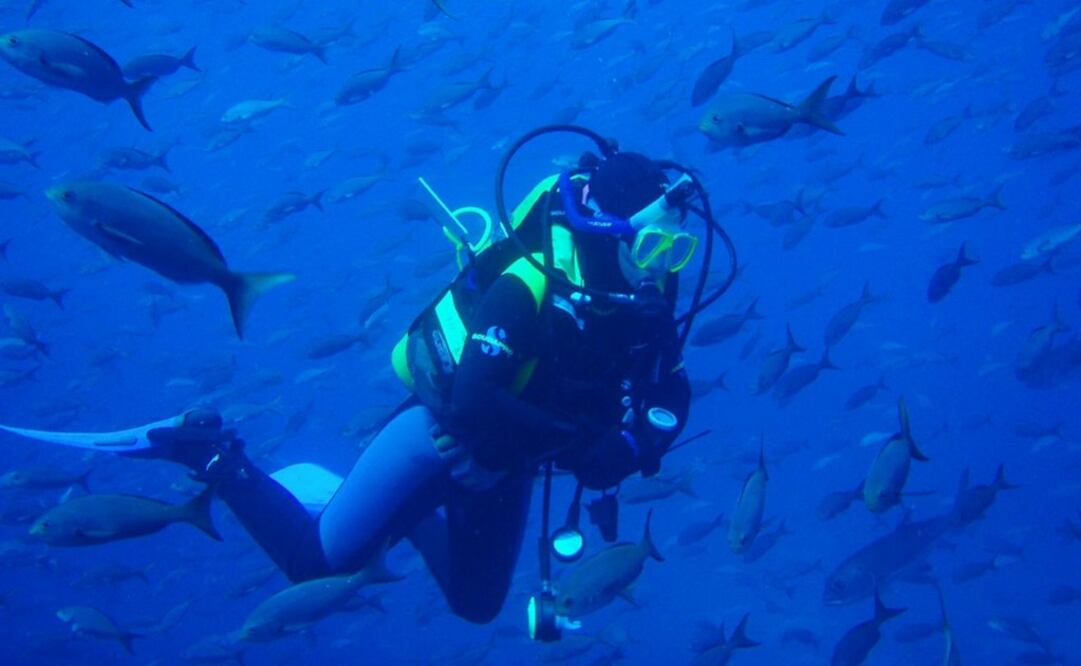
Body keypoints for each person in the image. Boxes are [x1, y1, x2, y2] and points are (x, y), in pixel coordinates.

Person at [143, 130, 710, 627]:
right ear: (610, 231)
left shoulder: (648, 289)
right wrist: (583, 445)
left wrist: (633, 445)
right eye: (651, 245)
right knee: (315, 566)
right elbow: (470, 402)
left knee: (477, 604)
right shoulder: (528, 285)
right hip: (436, 435)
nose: (660, 264)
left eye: (674, 247)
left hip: (509, 459)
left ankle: (398, 516)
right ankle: (213, 452)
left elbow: (670, 392)